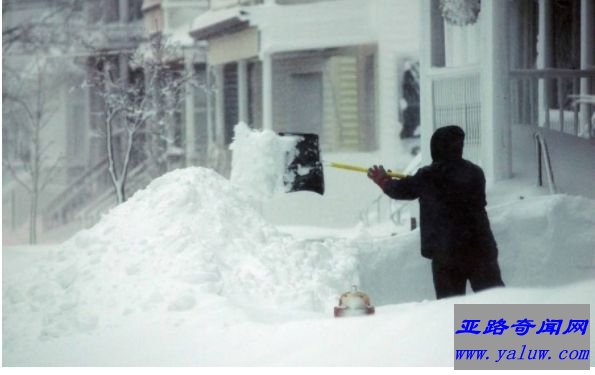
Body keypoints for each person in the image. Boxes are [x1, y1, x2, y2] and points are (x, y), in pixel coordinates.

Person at [367, 125, 505, 299]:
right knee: (496, 301)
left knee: (449, 306)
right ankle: (504, 325)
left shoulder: (429, 176)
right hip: (480, 248)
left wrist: (383, 180)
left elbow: (401, 190)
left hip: (447, 253)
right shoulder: (475, 172)